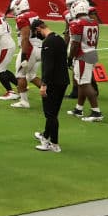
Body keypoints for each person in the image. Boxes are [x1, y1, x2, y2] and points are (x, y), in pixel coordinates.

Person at [33, 19, 69, 152]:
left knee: (50, 114)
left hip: (53, 82)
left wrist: (43, 85)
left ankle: (53, 144)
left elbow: (48, 66)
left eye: (36, 33)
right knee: (53, 112)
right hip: (63, 81)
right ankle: (45, 135)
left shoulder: (48, 42)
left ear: (38, 29)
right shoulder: (59, 38)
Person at [66, 0, 103, 122]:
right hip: (92, 52)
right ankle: (79, 108)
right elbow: (95, 41)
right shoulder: (94, 22)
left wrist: (70, 58)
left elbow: (75, 43)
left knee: (85, 83)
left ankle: (96, 112)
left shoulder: (76, 23)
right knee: (81, 81)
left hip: (82, 55)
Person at [9, 0, 43, 109]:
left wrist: (24, 55)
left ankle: (24, 102)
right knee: (32, 75)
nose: (14, 11)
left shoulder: (22, 17)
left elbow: (25, 38)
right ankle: (51, 94)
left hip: (30, 48)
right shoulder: (34, 14)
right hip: (40, 47)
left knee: (20, 75)